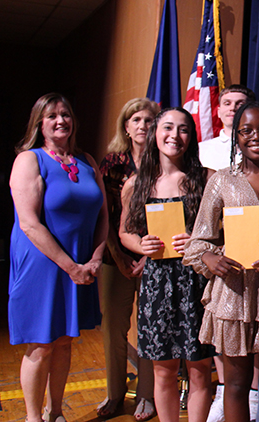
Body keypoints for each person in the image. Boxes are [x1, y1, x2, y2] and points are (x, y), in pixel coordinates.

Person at [183, 102, 259, 422]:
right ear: (237, 137)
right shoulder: (221, 181)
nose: (255, 136)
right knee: (235, 385)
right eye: (246, 130)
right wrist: (209, 257)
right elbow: (198, 240)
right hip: (233, 295)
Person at [9, 93, 107, 422]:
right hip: (43, 263)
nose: (60, 120)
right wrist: (71, 267)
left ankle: (55, 411)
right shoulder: (30, 159)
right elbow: (29, 223)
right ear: (40, 123)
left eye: (65, 114)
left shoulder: (88, 161)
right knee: (42, 343)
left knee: (65, 342)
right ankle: (33, 417)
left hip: (81, 262)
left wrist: (94, 259)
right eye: (52, 116)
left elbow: (104, 215)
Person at [120, 108, 216, 422]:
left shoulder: (207, 178)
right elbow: (124, 232)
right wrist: (141, 244)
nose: (175, 136)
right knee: (164, 371)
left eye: (183, 129)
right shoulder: (137, 183)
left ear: (192, 136)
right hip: (158, 283)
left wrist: (199, 242)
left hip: (196, 280)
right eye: (168, 128)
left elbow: (226, 231)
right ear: (155, 133)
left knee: (200, 370)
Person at [97, 97, 159, 421]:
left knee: (148, 328)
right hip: (115, 257)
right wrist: (119, 258)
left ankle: (146, 395)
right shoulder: (113, 164)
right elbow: (105, 216)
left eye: (149, 121)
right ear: (126, 126)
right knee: (113, 326)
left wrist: (148, 259)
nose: (143, 126)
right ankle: (114, 394)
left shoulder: (164, 162)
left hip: (155, 258)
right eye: (136, 120)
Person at [199, 84, 257, 171]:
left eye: (240, 104)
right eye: (227, 104)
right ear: (218, 112)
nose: (233, 108)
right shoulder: (202, 149)